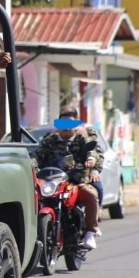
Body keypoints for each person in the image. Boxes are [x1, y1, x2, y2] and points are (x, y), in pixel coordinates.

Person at [34, 107, 102, 249]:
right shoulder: (49, 141)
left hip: (76, 181)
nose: (66, 128)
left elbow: (93, 152)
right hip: (53, 182)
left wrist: (91, 160)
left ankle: (90, 232)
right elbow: (37, 157)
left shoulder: (82, 139)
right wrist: (29, 165)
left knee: (91, 195)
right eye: (63, 124)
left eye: (70, 124)